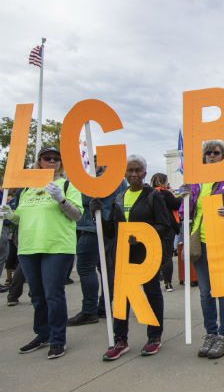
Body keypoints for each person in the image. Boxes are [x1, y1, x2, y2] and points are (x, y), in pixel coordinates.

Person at [0, 147, 83, 359]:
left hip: (57, 247)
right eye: (47, 158)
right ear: (39, 162)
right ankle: (42, 334)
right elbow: (21, 216)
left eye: (56, 159)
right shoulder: (27, 189)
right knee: (36, 295)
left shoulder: (67, 184)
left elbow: (77, 215)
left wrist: (61, 199)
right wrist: (10, 214)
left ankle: (57, 339)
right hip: (29, 247)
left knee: (53, 294)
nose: (52, 161)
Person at [96, 155, 172, 361]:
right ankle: (120, 340)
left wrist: (140, 236)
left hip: (146, 254)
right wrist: (98, 215)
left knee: (152, 292)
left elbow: (165, 225)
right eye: (130, 170)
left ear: (145, 173)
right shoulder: (119, 198)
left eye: (138, 170)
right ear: (124, 173)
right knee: (121, 298)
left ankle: (154, 337)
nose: (134, 174)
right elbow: (112, 230)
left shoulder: (153, 196)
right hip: (123, 256)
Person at [182, 140, 224, 359]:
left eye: (216, 152)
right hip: (200, 241)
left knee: (223, 290)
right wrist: (184, 198)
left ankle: (223, 335)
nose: (211, 155)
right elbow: (185, 213)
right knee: (204, 291)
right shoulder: (195, 181)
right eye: (208, 152)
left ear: (223, 156)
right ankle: (210, 333)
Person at [68, 159, 126, 326]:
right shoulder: (120, 181)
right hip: (110, 229)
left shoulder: (100, 178)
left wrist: (85, 180)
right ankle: (104, 306)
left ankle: (89, 310)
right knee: (107, 269)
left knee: (85, 268)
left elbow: (83, 198)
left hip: (92, 228)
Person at [150, 173, 182, 293]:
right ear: (163, 182)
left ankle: (156, 278)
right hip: (167, 228)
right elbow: (176, 204)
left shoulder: (149, 193)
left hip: (153, 228)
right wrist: (177, 195)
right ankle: (168, 283)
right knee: (167, 255)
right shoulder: (164, 193)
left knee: (156, 254)